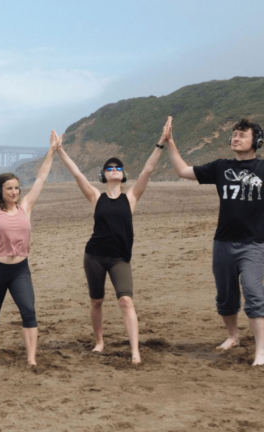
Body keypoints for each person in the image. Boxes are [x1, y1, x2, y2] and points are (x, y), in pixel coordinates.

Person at [57, 117, 169, 364]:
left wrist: (161, 144)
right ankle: (99, 342)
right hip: (94, 256)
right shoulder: (96, 197)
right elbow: (76, 173)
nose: (115, 169)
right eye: (110, 168)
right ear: (103, 175)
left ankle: (135, 351)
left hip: (120, 258)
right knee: (96, 300)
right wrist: (61, 150)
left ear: (124, 174)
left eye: (118, 167)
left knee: (126, 300)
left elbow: (148, 170)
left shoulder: (131, 198)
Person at [164, 116, 264, 366]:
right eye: (234, 133)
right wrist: (170, 142)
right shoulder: (221, 167)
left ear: (257, 141)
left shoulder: (262, 169)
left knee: (253, 292)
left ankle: (261, 351)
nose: (236, 137)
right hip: (223, 243)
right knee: (226, 295)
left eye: (242, 134)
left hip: (254, 243)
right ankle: (233, 337)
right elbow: (182, 171)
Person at [0, 131, 60, 365]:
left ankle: (32, 358)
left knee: (28, 310)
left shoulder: (26, 207)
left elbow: (40, 179)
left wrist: (51, 151)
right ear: (0, 192)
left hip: (20, 270)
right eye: (9, 189)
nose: (14, 192)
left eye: (16, 188)